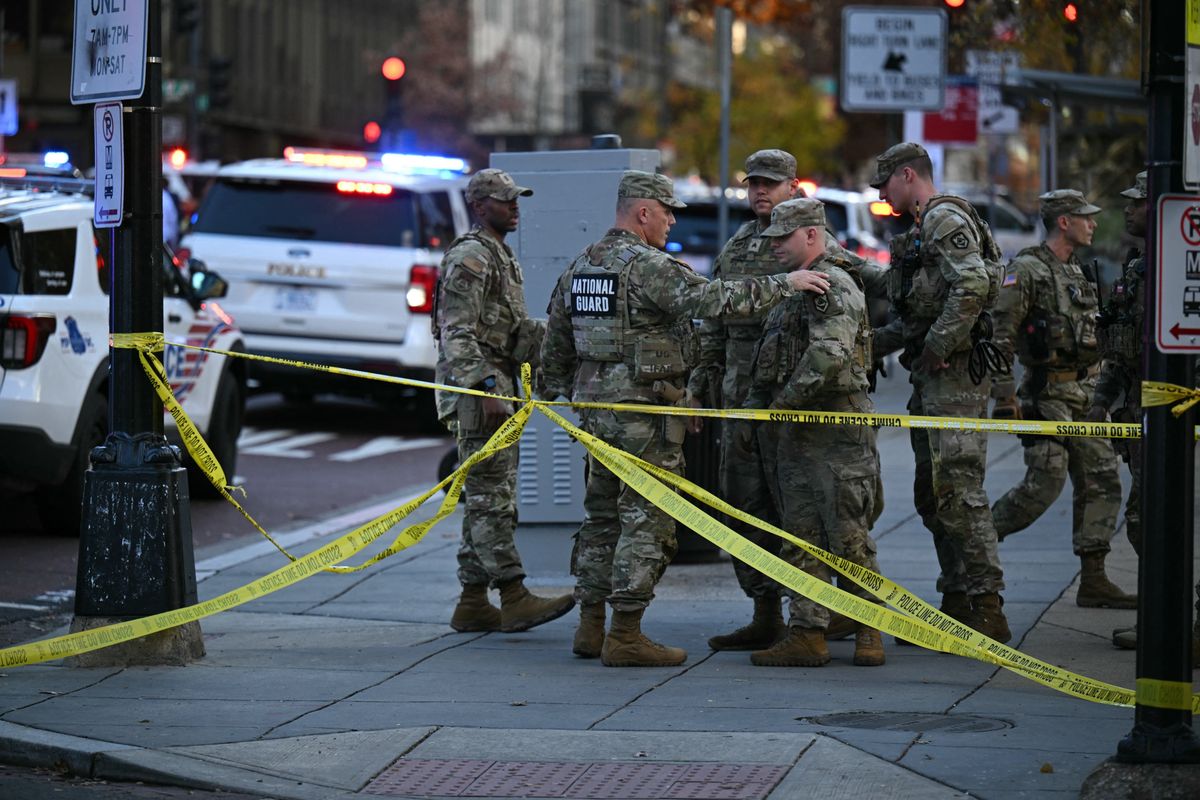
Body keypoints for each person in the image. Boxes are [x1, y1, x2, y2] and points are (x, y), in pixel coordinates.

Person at [540, 169, 828, 668]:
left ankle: (591, 626)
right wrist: (786, 283)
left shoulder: (582, 266)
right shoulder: (646, 266)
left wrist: (564, 398)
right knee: (648, 520)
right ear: (643, 212)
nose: (673, 221)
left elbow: (555, 344)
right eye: (668, 211)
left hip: (596, 413)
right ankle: (625, 632)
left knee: (602, 516)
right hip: (642, 413)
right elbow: (711, 299)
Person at [870, 142, 1011, 643]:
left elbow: (971, 284)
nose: (883, 196)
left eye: (885, 184)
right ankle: (957, 599)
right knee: (933, 496)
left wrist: (936, 345)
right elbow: (912, 313)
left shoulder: (942, 218)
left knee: (959, 493)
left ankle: (988, 608)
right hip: (932, 380)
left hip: (954, 380)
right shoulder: (917, 229)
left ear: (908, 175)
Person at [745, 197, 886, 668]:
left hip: (836, 431)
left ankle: (870, 628)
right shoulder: (793, 290)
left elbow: (829, 355)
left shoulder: (833, 285)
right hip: (798, 433)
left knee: (848, 535)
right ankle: (807, 631)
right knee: (799, 535)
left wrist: (782, 405)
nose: (774, 247)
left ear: (811, 235)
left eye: (782, 238)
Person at [434, 168, 575, 635]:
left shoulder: (499, 253)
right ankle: (513, 596)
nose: (514, 206)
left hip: (499, 386)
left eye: (516, 199)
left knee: (488, 497)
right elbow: (456, 332)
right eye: (504, 199)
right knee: (492, 500)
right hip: (481, 395)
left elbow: (509, 330)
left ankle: (473, 601)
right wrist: (485, 385)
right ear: (479, 206)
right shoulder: (473, 256)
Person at [990, 190, 1135, 608]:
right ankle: (976, 547)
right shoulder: (1028, 270)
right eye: (1085, 217)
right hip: (1046, 393)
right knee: (1043, 485)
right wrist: (1004, 395)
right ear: (1064, 222)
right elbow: (1000, 335)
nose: (1093, 224)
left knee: (1102, 480)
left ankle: (1094, 577)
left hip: (1084, 392)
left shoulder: (1077, 270)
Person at [688, 150, 801, 653]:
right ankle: (764, 611)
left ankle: (818, 616)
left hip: (791, 399)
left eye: (770, 184)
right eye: (754, 183)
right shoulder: (735, 247)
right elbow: (713, 321)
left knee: (800, 508)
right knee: (743, 504)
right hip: (738, 400)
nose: (761, 191)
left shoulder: (807, 239)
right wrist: (698, 388)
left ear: (792, 187)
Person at [1089, 172, 1200, 659]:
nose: (1128, 211)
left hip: (1179, 409)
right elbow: (1121, 347)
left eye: (1136, 203)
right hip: (1141, 411)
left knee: (1159, 516)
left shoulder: (1182, 267)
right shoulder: (1138, 269)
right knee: (1144, 519)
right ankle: (1165, 617)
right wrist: (1100, 398)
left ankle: (1179, 623)